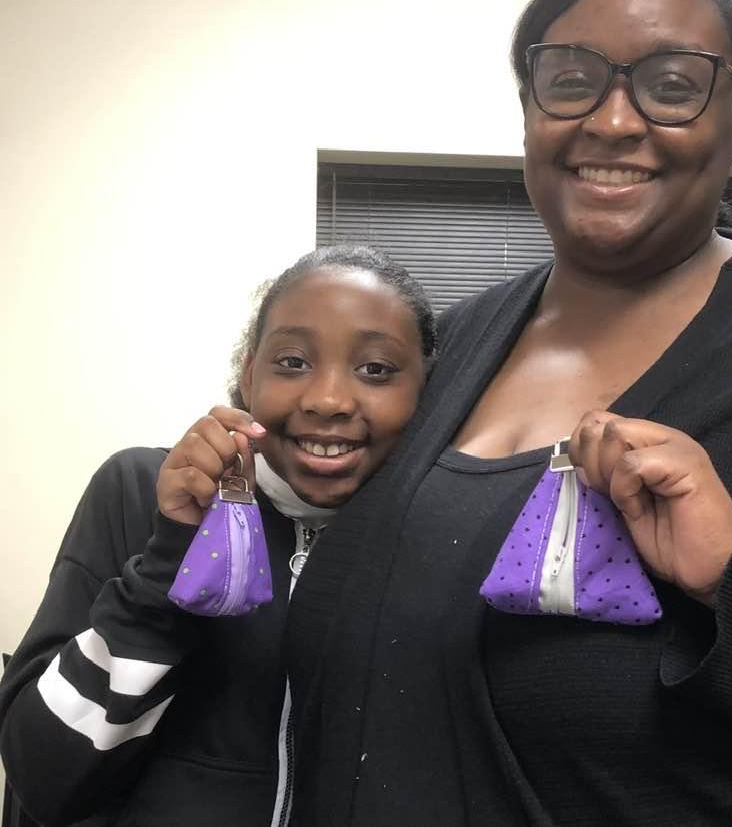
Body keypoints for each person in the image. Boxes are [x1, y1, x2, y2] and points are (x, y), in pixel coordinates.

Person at [284, 0, 732, 827]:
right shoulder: (453, 341)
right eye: (571, 78)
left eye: (672, 85)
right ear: (529, 107)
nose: (611, 121)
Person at [0, 245, 435, 827]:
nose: (328, 400)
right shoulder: (138, 491)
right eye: (292, 362)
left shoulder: (436, 536)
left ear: (427, 387)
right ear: (248, 372)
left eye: (376, 369)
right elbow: (42, 777)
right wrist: (169, 558)